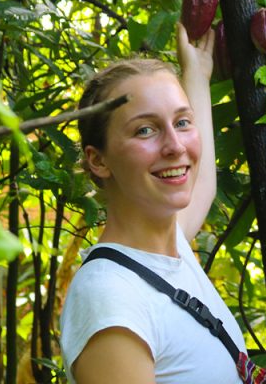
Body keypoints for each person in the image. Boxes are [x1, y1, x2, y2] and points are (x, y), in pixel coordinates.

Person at [60, 24, 244, 384]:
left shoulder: (170, 249)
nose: (175, 145)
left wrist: (197, 71)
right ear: (99, 161)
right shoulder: (111, 300)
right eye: (145, 129)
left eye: (181, 122)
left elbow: (201, 179)